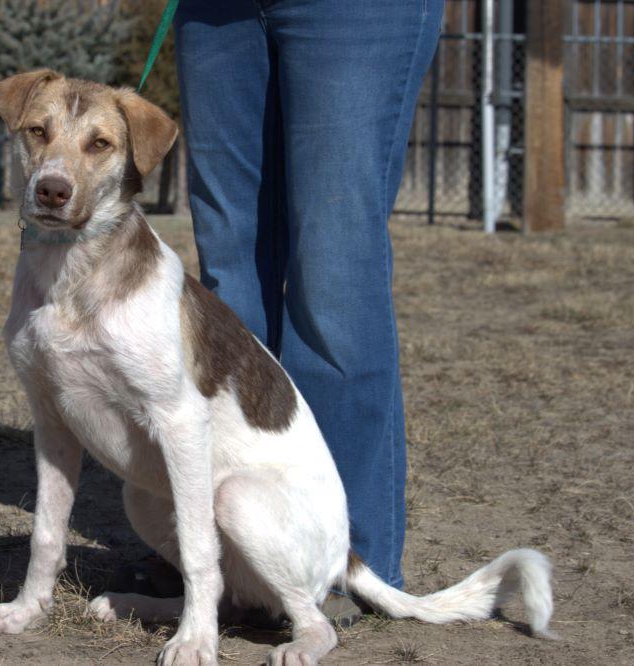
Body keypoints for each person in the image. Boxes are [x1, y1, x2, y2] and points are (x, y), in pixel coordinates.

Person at [172, 0, 444, 622]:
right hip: (218, 14)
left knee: (335, 275)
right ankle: (226, 562)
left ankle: (346, 565)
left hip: (355, 15)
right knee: (228, 274)